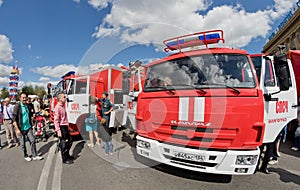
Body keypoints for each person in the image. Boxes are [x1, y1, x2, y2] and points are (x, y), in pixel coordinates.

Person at [12, 93, 43, 161]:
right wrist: (17, 129)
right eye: (23, 97)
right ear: (20, 98)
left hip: (28, 127)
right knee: (22, 144)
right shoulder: (17, 106)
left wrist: (33, 116)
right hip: (20, 128)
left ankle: (35, 155)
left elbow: (30, 113)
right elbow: (14, 119)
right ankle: (25, 155)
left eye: (25, 97)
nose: (24, 99)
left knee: (32, 140)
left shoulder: (27, 105)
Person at [54, 92, 74, 164]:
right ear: (60, 99)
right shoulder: (57, 108)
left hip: (65, 126)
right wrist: (58, 131)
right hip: (62, 127)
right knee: (64, 143)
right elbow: (56, 121)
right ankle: (64, 159)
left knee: (70, 141)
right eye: (64, 97)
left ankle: (67, 155)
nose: (66, 98)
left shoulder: (63, 106)